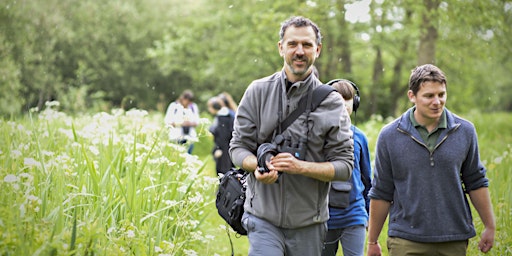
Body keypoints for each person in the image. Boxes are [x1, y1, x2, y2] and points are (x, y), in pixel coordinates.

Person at [229, 16, 354, 256]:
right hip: (263, 217)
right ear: (280, 48)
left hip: (310, 223)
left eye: (307, 45)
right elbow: (237, 147)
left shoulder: (332, 102)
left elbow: (344, 165)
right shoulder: (257, 91)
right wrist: (258, 166)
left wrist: (301, 167)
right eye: (292, 44)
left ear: (317, 50)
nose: (299, 51)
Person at [366, 64, 495, 256]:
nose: (437, 102)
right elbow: (382, 191)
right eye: (429, 96)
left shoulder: (465, 131)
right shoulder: (389, 135)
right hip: (405, 239)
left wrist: (490, 226)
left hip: (453, 238)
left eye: (441, 94)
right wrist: (372, 241)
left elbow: (475, 181)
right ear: (412, 96)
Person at [322, 79, 372, 256]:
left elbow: (368, 180)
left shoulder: (360, 137)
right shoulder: (316, 136)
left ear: (354, 102)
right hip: (323, 218)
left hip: (354, 215)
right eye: (337, 99)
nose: (343, 103)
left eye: (347, 99)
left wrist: (367, 215)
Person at [164, 89, 200, 154]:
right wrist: (180, 124)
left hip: (190, 136)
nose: (188, 104)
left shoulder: (193, 107)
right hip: (176, 136)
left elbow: (197, 121)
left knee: (188, 157)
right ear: (183, 99)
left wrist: (189, 123)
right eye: (188, 101)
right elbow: (167, 121)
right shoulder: (174, 106)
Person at [207, 96, 235, 175]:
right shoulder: (227, 115)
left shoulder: (223, 118)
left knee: (223, 172)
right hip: (228, 148)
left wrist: (218, 149)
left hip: (224, 149)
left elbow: (223, 136)